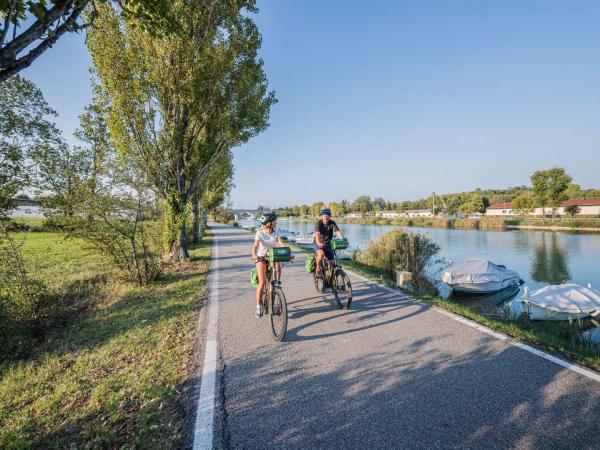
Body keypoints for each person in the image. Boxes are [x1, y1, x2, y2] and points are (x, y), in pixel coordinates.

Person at [252, 212, 286, 318]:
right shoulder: (260, 233)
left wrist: (286, 251)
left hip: (272, 256)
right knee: (262, 282)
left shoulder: (276, 232)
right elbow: (255, 246)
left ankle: (277, 285)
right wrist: (254, 254)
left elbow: (281, 243)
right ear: (269, 223)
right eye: (274, 220)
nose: (276, 222)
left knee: (278, 266)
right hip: (261, 257)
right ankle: (258, 306)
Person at [314, 208, 345, 277]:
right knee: (321, 254)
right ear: (322, 216)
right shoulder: (318, 223)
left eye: (327, 215)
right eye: (324, 215)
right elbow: (317, 234)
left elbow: (337, 232)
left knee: (332, 262)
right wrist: (318, 243)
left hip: (328, 244)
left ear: (330, 216)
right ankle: (318, 268)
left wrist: (343, 239)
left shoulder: (332, 223)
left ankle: (330, 278)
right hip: (318, 243)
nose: (325, 216)